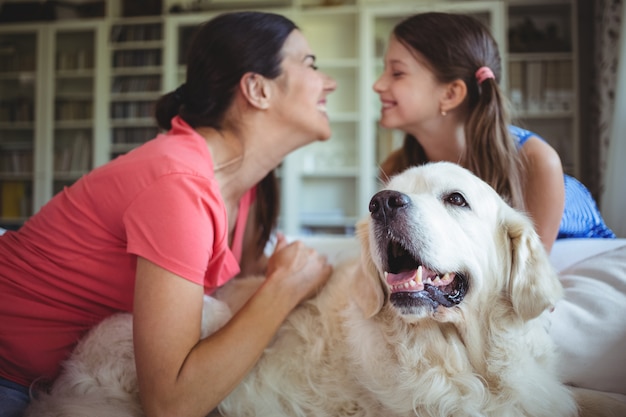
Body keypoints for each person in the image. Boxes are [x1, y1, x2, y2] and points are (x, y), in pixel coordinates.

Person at [0, 11, 336, 417]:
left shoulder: (243, 188)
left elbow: (229, 289)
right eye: (310, 64)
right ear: (257, 89)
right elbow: (171, 403)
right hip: (10, 374)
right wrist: (284, 287)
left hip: (58, 378)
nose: (328, 83)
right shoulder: (181, 184)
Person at [374, 12, 615, 253]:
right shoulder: (397, 167)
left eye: (397, 73)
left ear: (451, 94)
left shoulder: (535, 162)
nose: (378, 85)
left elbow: (530, 272)